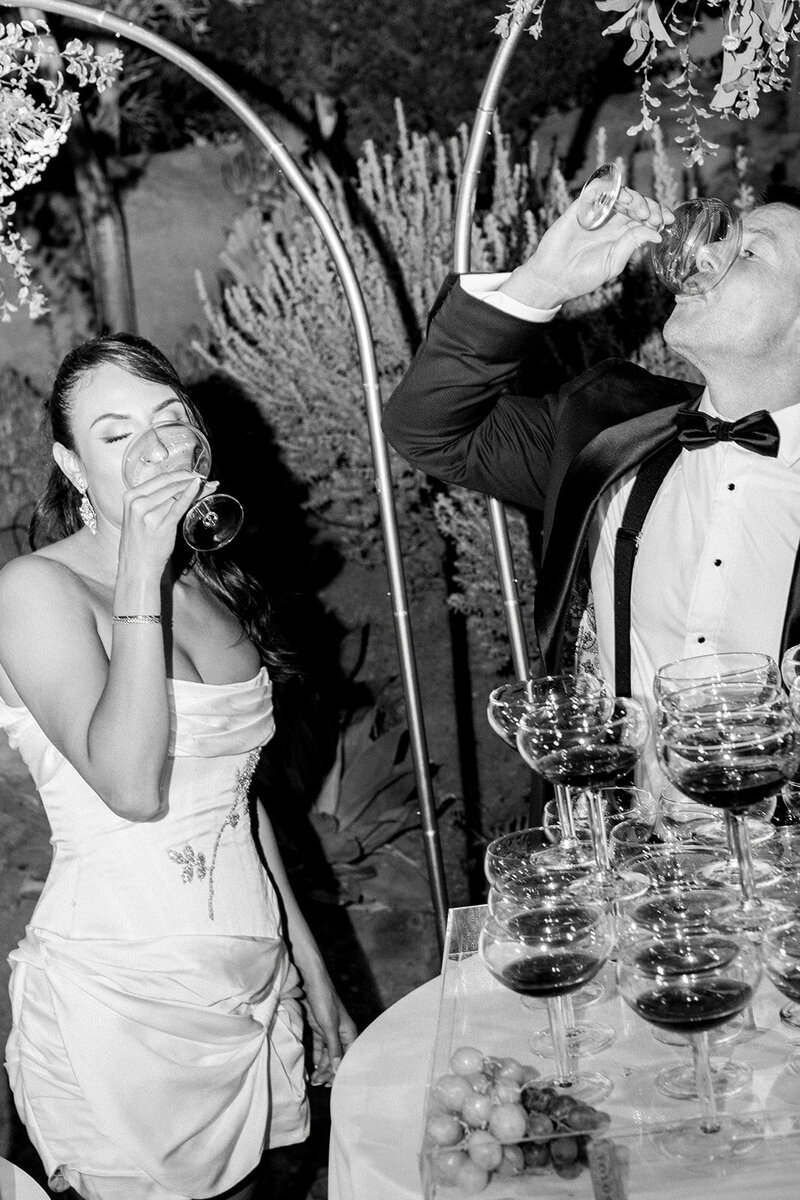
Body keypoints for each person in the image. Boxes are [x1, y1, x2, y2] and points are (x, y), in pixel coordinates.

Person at [0, 333, 357, 1200]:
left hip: (252, 985)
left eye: (170, 422)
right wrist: (137, 573)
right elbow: (129, 785)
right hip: (121, 1006)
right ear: (73, 467)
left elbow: (233, 802)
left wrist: (312, 973)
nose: (156, 449)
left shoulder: (212, 589)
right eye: (117, 436)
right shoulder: (33, 592)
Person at [382, 182, 800, 794]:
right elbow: (428, 427)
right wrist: (543, 282)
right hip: (627, 863)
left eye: (751, 252)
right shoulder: (605, 432)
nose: (705, 256)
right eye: (719, 237)